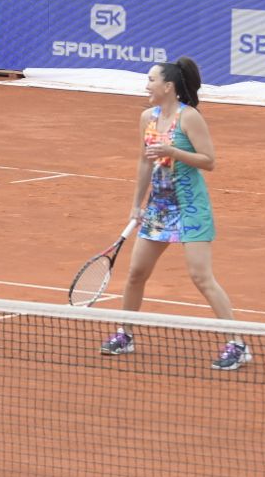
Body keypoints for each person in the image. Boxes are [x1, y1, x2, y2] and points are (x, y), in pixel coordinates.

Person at [100, 60, 250, 372]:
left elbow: (209, 161)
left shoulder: (189, 117)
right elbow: (144, 162)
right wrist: (136, 205)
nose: (146, 85)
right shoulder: (147, 118)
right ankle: (125, 334)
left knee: (201, 277)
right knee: (136, 273)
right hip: (159, 207)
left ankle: (238, 344)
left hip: (190, 206)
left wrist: (173, 152)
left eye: (151, 80)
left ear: (168, 86)